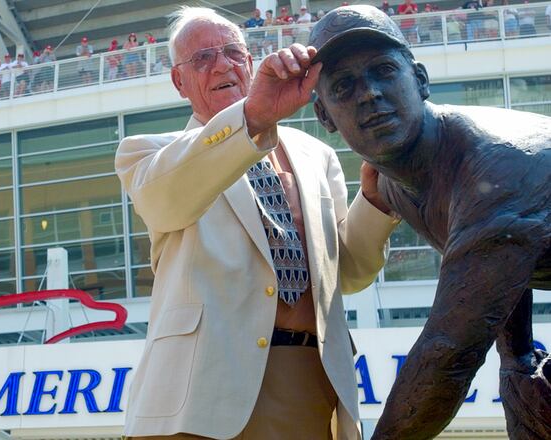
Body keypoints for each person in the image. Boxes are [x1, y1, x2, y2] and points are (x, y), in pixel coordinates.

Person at [116, 6, 397, 439]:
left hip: (308, 383)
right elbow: (164, 203)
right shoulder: (149, 153)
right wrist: (253, 120)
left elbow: (350, 273)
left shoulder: (315, 155)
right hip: (197, 394)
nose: (223, 64)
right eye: (203, 58)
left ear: (249, 63)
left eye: (232, 52)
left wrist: (375, 202)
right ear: (179, 82)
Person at [309, 6, 551, 439]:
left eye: (384, 71)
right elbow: (500, 279)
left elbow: (448, 352)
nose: (369, 94)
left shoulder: (491, 165)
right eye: (344, 86)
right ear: (325, 116)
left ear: (419, 80)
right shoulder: (398, 180)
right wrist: (519, 365)